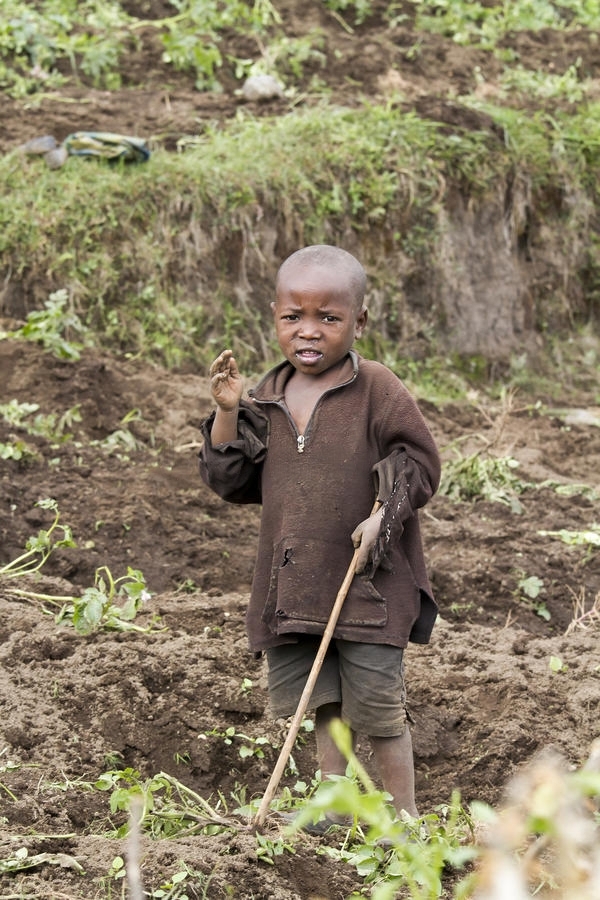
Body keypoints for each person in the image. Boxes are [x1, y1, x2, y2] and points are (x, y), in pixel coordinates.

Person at [199, 244, 441, 824]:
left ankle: (403, 820)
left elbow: (419, 462)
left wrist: (386, 512)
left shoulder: (377, 387)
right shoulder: (265, 397)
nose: (309, 332)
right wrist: (229, 413)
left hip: (368, 582)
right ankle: (334, 806)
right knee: (322, 698)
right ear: (275, 316)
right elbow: (231, 480)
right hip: (298, 580)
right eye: (294, 317)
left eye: (328, 319)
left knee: (379, 706)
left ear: (358, 322)